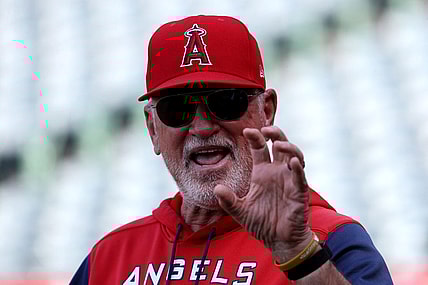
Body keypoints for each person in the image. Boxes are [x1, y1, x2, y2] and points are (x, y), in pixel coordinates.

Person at [70, 15, 393, 284]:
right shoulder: (110, 257)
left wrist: (299, 254)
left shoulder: (330, 238)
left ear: (266, 111)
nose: (202, 127)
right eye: (177, 109)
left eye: (226, 102)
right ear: (153, 128)